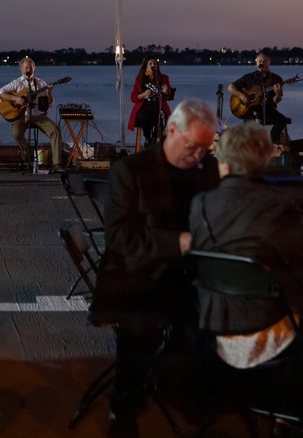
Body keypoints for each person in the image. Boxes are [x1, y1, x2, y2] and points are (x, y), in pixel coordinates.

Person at [94, 98, 220, 436]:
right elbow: (119, 236)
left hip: (189, 272)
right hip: (137, 271)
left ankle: (192, 390)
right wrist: (180, 242)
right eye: (192, 147)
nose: (198, 156)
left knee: (227, 312)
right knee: (142, 326)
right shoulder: (131, 170)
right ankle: (124, 404)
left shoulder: (208, 167)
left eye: (205, 149)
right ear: (172, 131)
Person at [185, 121, 303, 369]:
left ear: (223, 161)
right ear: (264, 160)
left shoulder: (200, 204)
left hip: (215, 323)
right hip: (268, 327)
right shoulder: (278, 205)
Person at [0, 57, 63, 171]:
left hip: (38, 116)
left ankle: (57, 163)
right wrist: (15, 98)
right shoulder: (17, 83)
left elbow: (50, 103)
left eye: (30, 68)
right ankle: (25, 149)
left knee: (55, 131)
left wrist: (49, 93)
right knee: (16, 133)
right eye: (26, 68)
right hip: (21, 117)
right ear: (21, 69)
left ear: (34, 68)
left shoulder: (41, 83)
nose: (28, 70)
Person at [227, 51, 290, 144]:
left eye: (265, 61)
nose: (262, 63)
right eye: (260, 61)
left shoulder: (276, 79)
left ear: (269, 62)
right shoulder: (249, 77)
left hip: (268, 110)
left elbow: (276, 101)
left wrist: (278, 94)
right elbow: (231, 87)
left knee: (282, 120)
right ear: (256, 63)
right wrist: (241, 95)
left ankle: (271, 144)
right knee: (247, 134)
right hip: (250, 112)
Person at [127, 56, 173, 147]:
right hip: (144, 106)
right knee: (144, 117)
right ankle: (148, 137)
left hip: (159, 106)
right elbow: (133, 98)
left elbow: (169, 97)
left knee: (162, 117)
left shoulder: (164, 78)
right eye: (150, 64)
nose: (153, 65)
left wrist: (166, 91)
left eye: (154, 64)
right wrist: (144, 94)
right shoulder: (140, 79)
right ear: (146, 66)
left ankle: (155, 138)